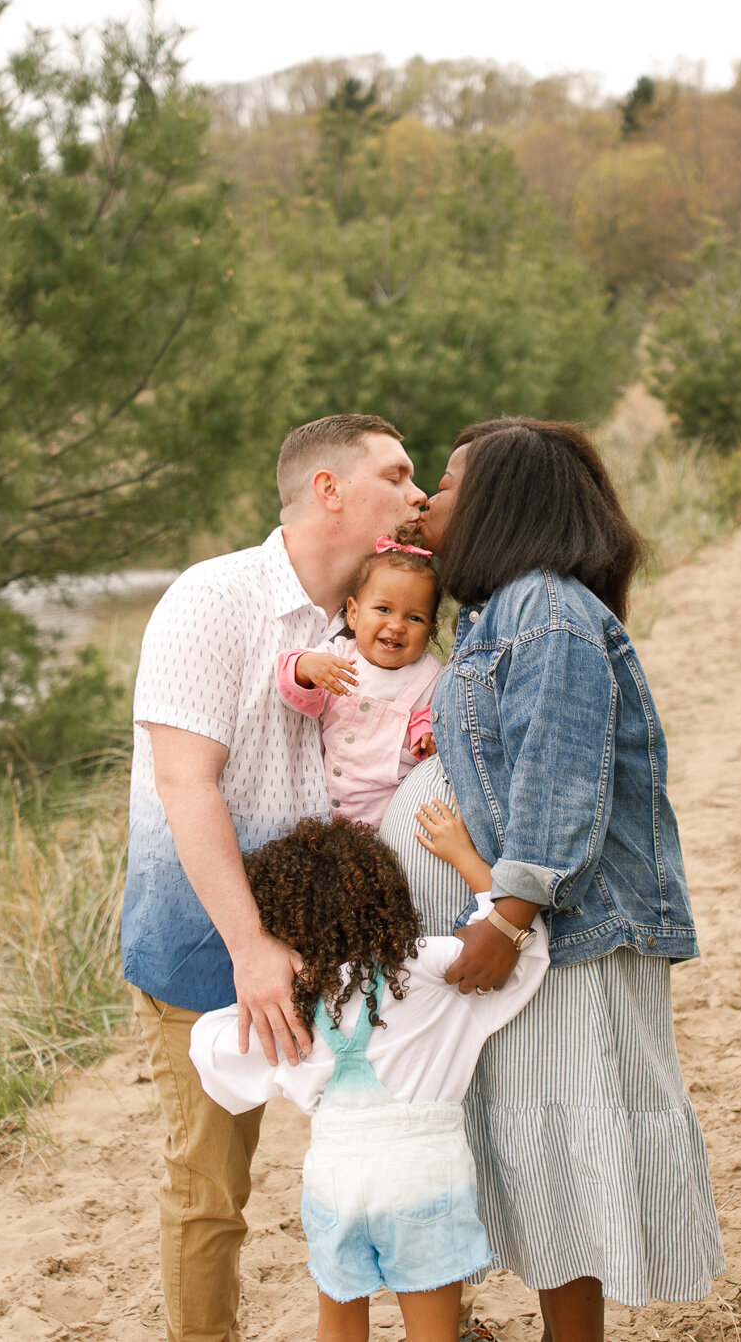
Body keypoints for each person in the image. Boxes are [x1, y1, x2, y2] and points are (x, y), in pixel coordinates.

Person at [381, 418, 725, 1342]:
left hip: (560, 939)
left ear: (497, 501)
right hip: (528, 940)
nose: (428, 500)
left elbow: (560, 772)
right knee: (544, 1153)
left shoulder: (548, 610)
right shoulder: (503, 612)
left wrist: (507, 910)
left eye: (445, 484)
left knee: (565, 1146)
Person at [124, 413, 427, 1342]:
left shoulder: (380, 617)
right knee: (210, 1192)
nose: (417, 497)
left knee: (371, 1170)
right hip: (209, 948)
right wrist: (249, 946)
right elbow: (184, 781)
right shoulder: (212, 600)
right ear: (329, 490)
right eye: (398, 475)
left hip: (339, 952)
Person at [189, 817, 550, 1342]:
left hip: (335, 1181)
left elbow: (210, 1047)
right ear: (386, 894)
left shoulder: (295, 1004)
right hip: (425, 1175)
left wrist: (264, 972)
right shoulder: (428, 969)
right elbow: (520, 945)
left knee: (338, 1324)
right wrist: (466, 860)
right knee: (432, 1332)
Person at [276, 542, 443, 828]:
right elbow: (290, 682)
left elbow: (434, 713)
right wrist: (305, 667)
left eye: (414, 617)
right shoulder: (340, 655)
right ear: (353, 613)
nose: (397, 625)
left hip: (391, 816)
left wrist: (425, 729)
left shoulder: (429, 674)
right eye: (383, 609)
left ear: (431, 629)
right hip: (325, 806)